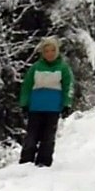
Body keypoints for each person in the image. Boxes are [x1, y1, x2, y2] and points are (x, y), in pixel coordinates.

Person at [17, 37, 75, 167]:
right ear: (43, 53)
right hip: (35, 108)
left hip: (53, 109)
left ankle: (44, 162)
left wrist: (67, 104)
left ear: (57, 51)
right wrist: (24, 104)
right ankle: (26, 162)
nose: (50, 54)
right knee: (31, 138)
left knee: (48, 138)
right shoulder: (35, 68)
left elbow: (68, 87)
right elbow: (26, 86)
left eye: (52, 50)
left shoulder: (63, 68)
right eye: (47, 51)